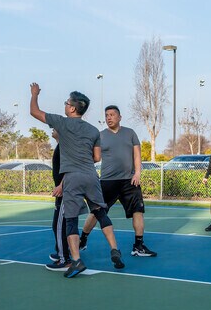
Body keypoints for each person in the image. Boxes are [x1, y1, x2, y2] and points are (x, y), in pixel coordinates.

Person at [29, 84, 125, 278]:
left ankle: (75, 260)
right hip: (91, 175)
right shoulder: (93, 130)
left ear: (72, 108)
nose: (65, 105)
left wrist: (34, 94)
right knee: (100, 212)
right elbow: (97, 158)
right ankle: (114, 249)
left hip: (72, 177)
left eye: (66, 103)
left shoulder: (62, 123)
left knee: (70, 220)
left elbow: (34, 112)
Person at [79, 105, 157, 257]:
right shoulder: (100, 136)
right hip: (108, 182)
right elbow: (93, 157)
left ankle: (138, 246)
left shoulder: (130, 133)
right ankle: (82, 240)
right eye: (107, 115)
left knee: (138, 211)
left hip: (130, 181)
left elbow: (137, 155)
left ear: (119, 117)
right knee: (96, 213)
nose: (109, 117)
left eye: (112, 114)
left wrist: (137, 173)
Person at [46, 129, 72, 271]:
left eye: (55, 128)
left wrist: (61, 186)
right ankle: (63, 252)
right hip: (62, 190)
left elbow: (69, 169)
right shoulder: (60, 146)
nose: (53, 130)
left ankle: (65, 259)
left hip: (65, 191)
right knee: (59, 224)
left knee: (59, 225)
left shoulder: (64, 147)